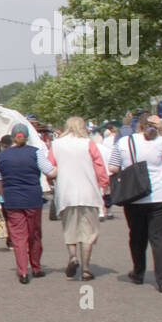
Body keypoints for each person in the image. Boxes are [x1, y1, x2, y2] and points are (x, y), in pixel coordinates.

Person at [108, 114, 162, 292]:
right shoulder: (161, 141)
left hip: (134, 196)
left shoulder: (123, 142)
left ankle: (138, 272)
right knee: (159, 239)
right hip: (159, 195)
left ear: (137, 126)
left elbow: (113, 167)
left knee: (137, 237)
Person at [0, 122, 57, 283]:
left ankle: (22, 271)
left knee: (18, 236)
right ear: (27, 137)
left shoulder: (1, 157)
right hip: (33, 199)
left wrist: (4, 195)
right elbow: (50, 172)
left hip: (12, 200)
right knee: (34, 234)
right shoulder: (36, 153)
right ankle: (36, 267)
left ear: (13, 137)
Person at [51, 117, 108, 280]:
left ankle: (73, 256)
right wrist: (103, 183)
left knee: (70, 229)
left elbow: (50, 166)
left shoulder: (56, 145)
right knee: (88, 232)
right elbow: (99, 166)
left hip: (66, 193)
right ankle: (86, 268)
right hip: (88, 192)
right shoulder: (89, 144)